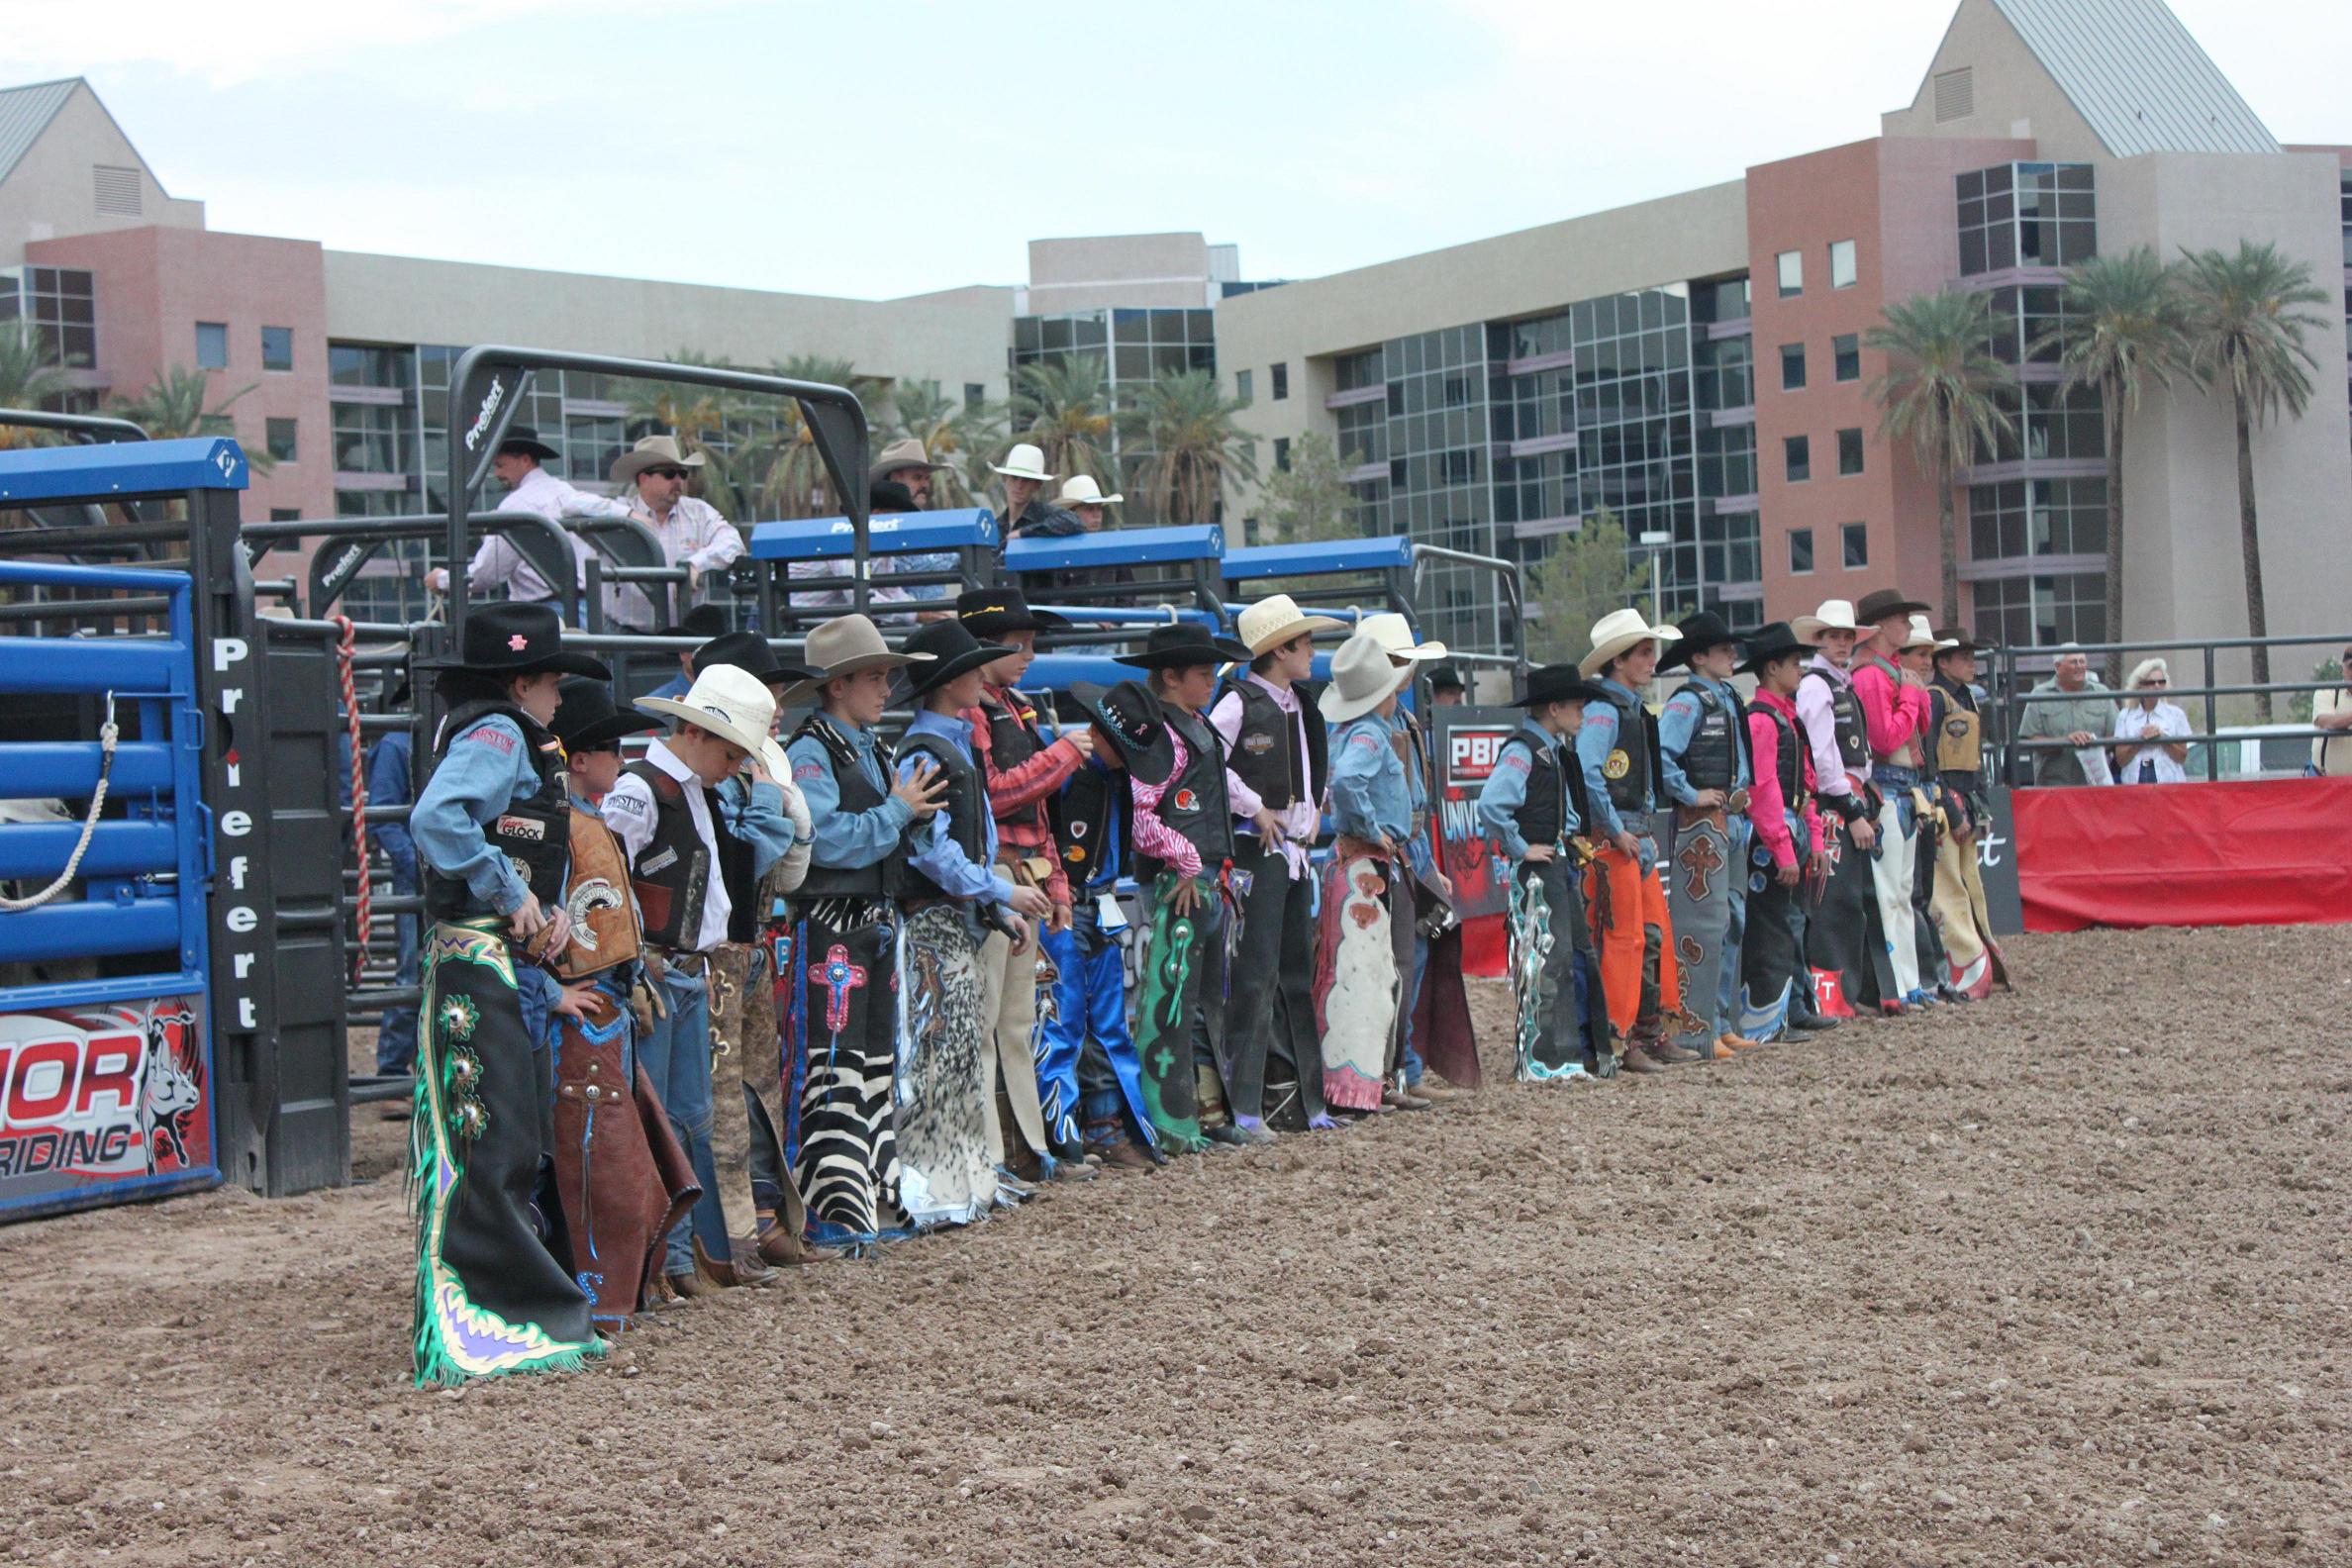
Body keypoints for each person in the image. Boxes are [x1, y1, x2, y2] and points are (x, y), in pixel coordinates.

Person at [405, 601, 609, 1386]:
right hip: (475, 959)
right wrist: (506, 893)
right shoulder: (496, 733)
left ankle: (510, 1304)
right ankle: (487, 1314)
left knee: (499, 1134)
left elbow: (502, 839)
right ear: (522, 682)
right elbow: (440, 818)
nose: (560, 698)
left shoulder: (499, 731)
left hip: (489, 955)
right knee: (490, 1136)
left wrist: (542, 909)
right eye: (553, 682)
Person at [606, 665, 786, 1295]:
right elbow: (608, 882)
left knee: (690, 1116)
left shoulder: (677, 790)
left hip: (684, 969)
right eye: (731, 751)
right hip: (658, 971)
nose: (735, 765)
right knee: (670, 1116)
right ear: (692, 733)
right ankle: (667, 1263)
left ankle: (683, 1259)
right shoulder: (641, 793)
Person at [541, 677, 698, 1334]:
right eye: (608, 746)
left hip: (606, 1003)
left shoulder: (586, 821)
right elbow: (528, 917)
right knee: (597, 1158)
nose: (618, 756)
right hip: (583, 1009)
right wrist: (550, 991)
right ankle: (596, 1293)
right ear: (578, 758)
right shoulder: (558, 828)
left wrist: (631, 975)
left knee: (616, 1156)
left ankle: (614, 1289)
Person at [781, 617, 942, 1251]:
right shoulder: (811, 753)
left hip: (869, 925)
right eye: (875, 677)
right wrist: (900, 811)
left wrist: (910, 816)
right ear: (838, 685)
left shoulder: (869, 747)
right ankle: (832, 1208)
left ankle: (871, 1199)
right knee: (833, 1060)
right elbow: (822, 841)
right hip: (830, 930)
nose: (886, 688)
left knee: (874, 1057)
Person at [892, 619, 1050, 1225]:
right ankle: (938, 1189)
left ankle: (968, 1181)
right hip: (936, 922)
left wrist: (995, 904)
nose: (984, 676)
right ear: (954, 679)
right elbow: (932, 852)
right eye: (974, 668)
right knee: (941, 1053)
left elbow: (962, 847)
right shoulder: (928, 750)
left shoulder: (946, 745)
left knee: (960, 1050)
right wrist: (998, 890)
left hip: (958, 917)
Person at [954, 587, 1097, 1182]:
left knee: (1016, 1021)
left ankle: (1025, 1151)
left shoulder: (1012, 707)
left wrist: (1058, 882)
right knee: (992, 1019)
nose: (1029, 654)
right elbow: (993, 793)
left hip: (1024, 874)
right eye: (1018, 643)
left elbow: (1034, 811)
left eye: (1031, 643)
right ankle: (992, 1156)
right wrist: (1062, 756)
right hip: (996, 875)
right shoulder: (972, 714)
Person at [1116, 621, 1254, 1152]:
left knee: (1199, 999)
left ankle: (1204, 1108)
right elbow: (1142, 817)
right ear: (1169, 677)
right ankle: (1172, 1119)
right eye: (1201, 674)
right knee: (1173, 999)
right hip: (1182, 881)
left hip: (1204, 879)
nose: (1210, 683)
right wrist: (1187, 860)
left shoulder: (1195, 727)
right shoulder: (1160, 737)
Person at [1209, 594, 1343, 1134]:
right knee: (1257, 974)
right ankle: (1247, 1104)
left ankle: (1305, 1102)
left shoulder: (1301, 705)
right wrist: (1254, 806)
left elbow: (1314, 769)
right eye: (1304, 643)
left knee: (1293, 972)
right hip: (1256, 851)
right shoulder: (1237, 702)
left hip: (1294, 851)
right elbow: (1208, 761)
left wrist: (1313, 807)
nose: (1311, 651)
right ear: (1279, 649)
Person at [1042, 680, 1175, 1169]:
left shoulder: (1107, 778)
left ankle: (1100, 1125)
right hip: (1071, 901)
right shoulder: (1068, 774)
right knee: (1069, 1018)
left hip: (1098, 900)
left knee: (1102, 1021)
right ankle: (1070, 1133)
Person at [1478, 663, 1613, 1082]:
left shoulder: (1549, 750)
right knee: (1546, 959)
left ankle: (1567, 1054)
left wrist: (1567, 838)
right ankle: (1545, 1058)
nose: (1583, 714)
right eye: (1576, 706)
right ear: (1553, 707)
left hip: (1555, 864)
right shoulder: (1524, 751)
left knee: (1568, 956)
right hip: (1536, 872)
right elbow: (1490, 805)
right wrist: (1521, 847)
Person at [1575, 608, 1693, 1072]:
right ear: (1619, 661)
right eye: (1644, 653)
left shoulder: (1622, 708)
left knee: (1649, 936)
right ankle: (1622, 1037)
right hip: (1615, 840)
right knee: (1627, 939)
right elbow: (1589, 772)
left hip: (1631, 835)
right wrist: (1620, 828)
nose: (1651, 661)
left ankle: (1643, 1030)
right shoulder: (1607, 710)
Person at [1357, 612, 1466, 1103]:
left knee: (1416, 954)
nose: (1407, 671)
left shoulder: (1401, 720)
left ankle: (1405, 1066)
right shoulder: (1373, 724)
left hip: (1411, 849)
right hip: (1394, 851)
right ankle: (1391, 1069)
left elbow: (1416, 798)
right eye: (1399, 661)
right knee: (1397, 958)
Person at [1656, 611, 1764, 1062]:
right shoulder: (1687, 703)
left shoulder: (1724, 698)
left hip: (1732, 818)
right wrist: (1691, 793)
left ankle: (1719, 1020)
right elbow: (1663, 755)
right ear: (1699, 656)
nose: (1731, 655)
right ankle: (1698, 1026)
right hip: (1705, 822)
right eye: (1722, 650)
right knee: (1708, 922)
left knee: (1731, 921)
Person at [1316, 633, 1417, 1112]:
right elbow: (1348, 782)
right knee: (1367, 972)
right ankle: (1359, 1086)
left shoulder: (1344, 734)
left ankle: (1357, 1081)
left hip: (1354, 862)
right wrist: (1374, 830)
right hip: (1366, 864)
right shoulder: (1370, 736)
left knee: (1358, 972)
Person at [1792, 599, 1899, 1019]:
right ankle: (1832, 993)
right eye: (1834, 636)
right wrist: (1851, 807)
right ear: (1820, 640)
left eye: (1846, 637)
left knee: (1853, 899)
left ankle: (1852, 991)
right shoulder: (1819, 686)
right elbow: (1821, 757)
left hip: (1850, 792)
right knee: (1835, 901)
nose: (1841, 643)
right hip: (1834, 803)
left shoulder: (1840, 684)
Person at [1736, 623, 1828, 1042]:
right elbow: (1763, 786)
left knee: (1788, 920)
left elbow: (1803, 785)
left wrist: (1813, 836)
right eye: (1794, 663)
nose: (1800, 670)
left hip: (1789, 829)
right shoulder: (1763, 721)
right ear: (1772, 668)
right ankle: (1765, 1018)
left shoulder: (1782, 719)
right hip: (1772, 834)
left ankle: (1790, 1008)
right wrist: (1782, 846)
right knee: (1771, 923)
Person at [425, 426, 632, 611]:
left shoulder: (516, 505)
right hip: (587, 608)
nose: (496, 473)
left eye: (501, 464)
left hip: (544, 611)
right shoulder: (564, 491)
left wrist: (442, 580)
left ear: (525, 460)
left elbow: (488, 573)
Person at [1848, 588, 1935, 1010]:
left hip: (1901, 787)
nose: (1908, 626)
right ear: (1881, 626)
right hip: (1886, 785)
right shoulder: (1870, 678)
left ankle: (1906, 982)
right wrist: (1913, 697)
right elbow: (1885, 739)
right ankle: (1895, 986)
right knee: (1891, 891)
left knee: (1900, 889)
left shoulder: (1886, 674)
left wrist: (1911, 696)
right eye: (1902, 620)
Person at [1926, 630, 2009, 1000]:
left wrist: (1980, 805)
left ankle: (1978, 953)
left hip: (1963, 797)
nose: (1971, 663)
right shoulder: (1937, 699)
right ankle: (1962, 958)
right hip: (1947, 800)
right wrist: (1949, 806)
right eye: (1963, 657)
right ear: (1942, 662)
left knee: (1968, 883)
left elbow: (1973, 761)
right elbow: (1931, 759)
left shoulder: (1967, 700)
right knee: (1948, 885)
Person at [611, 435, 746, 631]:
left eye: (682, 474)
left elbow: (733, 543)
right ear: (643, 478)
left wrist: (696, 564)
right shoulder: (617, 514)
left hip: (685, 636)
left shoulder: (699, 512)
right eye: (669, 474)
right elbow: (571, 505)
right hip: (628, 634)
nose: (678, 480)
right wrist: (628, 514)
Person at [1896, 616, 1957, 1002]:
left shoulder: (1924, 694)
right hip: (1912, 788)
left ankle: (1929, 975)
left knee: (1918, 891)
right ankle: (1928, 976)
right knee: (1914, 892)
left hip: (1919, 790)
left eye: (1929, 655)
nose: (1926, 661)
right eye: (1920, 653)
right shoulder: (1920, 694)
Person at [365, 705, 419, 1095]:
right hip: (419, 878)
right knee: (412, 968)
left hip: (434, 873)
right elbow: (383, 816)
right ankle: (392, 1070)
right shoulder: (398, 743)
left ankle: (398, 1069)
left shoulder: (402, 741)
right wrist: (420, 866)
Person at [870, 437, 959, 613]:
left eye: (927, 478)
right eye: (917, 478)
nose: (925, 484)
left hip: (931, 621)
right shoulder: (874, 525)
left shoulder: (933, 524)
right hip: (893, 624)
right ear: (895, 480)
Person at [2015, 644, 2118, 786]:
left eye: (2082, 661)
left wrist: (2093, 744)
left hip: (2095, 786)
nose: (2079, 666)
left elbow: (2115, 735)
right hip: (2053, 786)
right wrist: (2065, 741)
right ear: (2058, 666)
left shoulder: (2102, 693)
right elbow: (2029, 739)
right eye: (2073, 662)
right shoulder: (2040, 695)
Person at [2113, 658, 2193, 785]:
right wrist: (2140, 739)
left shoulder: (2176, 714)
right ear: (2139, 685)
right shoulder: (2125, 716)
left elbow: (2182, 756)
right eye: (2151, 682)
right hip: (2134, 780)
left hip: (2169, 782)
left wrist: (2161, 738)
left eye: (2161, 682)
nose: (2157, 686)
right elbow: (2121, 760)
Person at [644, 603, 734, 703]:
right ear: (683, 652)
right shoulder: (656, 706)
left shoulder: (655, 705)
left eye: (716, 649)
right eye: (700, 649)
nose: (710, 657)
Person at [2308, 641, 2352, 776]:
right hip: (2325, 785)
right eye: (2351, 666)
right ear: (2342, 668)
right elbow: (2325, 721)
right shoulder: (2327, 692)